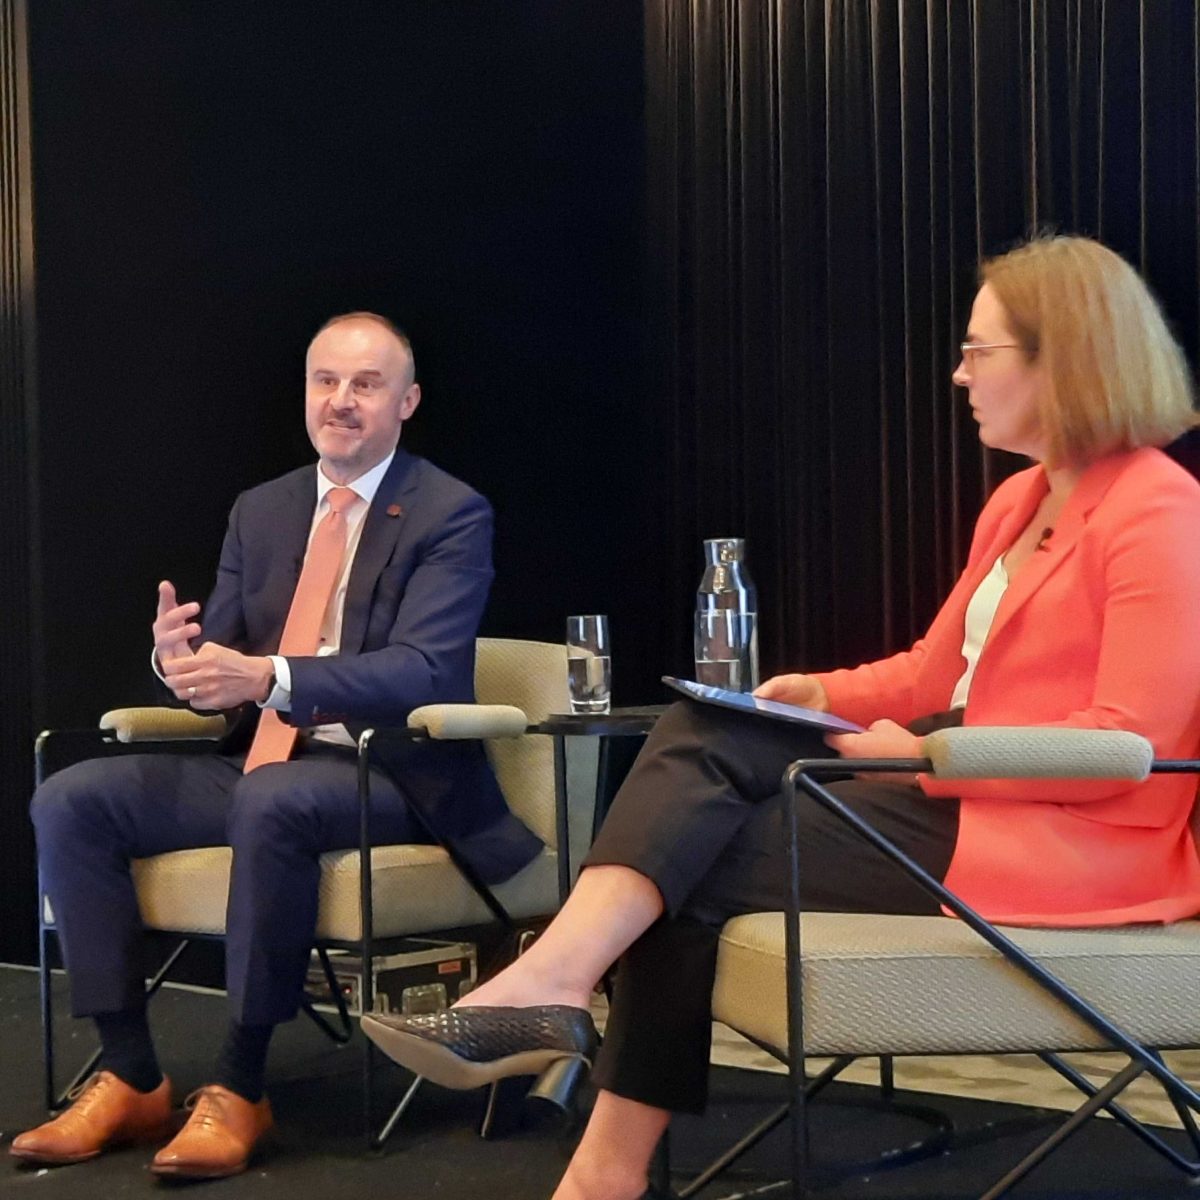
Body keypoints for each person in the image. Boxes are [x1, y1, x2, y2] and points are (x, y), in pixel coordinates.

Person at [360, 236, 1200, 1200]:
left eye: (980, 351)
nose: (959, 372)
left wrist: (925, 753)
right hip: (961, 797)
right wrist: (824, 693)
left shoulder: (1159, 513)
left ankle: (585, 1107)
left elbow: (1123, 748)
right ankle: (574, 1064)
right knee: (710, 737)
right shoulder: (1019, 501)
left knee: (690, 853)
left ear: (1066, 360)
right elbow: (936, 667)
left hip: (1068, 838)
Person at [13, 312, 541, 1178]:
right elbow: (217, 657)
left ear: (406, 402)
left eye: (365, 385)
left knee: (274, 798)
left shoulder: (449, 511)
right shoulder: (263, 510)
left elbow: (424, 669)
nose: (341, 401)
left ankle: (240, 1084)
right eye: (324, 381)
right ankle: (130, 1072)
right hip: (264, 762)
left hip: (392, 773)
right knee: (73, 795)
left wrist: (271, 680)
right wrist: (175, 661)